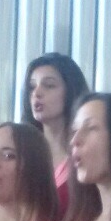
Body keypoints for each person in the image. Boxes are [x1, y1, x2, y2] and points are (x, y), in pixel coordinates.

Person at [24, 52, 90, 205]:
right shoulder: (23, 155)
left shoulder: (87, 156)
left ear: (71, 91)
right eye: (32, 87)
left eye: (49, 86)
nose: (36, 93)